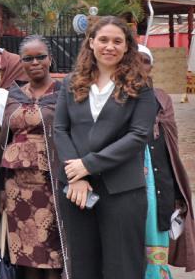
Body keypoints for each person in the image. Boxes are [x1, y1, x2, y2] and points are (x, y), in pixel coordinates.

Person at [52, 16, 158, 278]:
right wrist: (75, 176)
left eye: (117, 41)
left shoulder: (140, 86)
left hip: (122, 190)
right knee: (84, 266)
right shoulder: (71, 82)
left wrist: (87, 165)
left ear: (126, 47)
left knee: (122, 267)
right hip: (77, 191)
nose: (109, 46)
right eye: (103, 40)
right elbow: (60, 130)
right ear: (91, 43)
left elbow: (138, 135)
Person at [0, 36, 64, 278]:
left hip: (50, 187)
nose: (35, 62)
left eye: (40, 57)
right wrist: (1, 188)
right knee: (24, 255)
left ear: (50, 59)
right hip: (17, 189)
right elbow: (4, 142)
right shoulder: (14, 95)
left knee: (52, 253)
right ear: (21, 62)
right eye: (28, 58)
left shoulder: (64, 94)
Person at [137, 45, 195, 273]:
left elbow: (170, 144)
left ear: (151, 66)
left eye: (145, 60)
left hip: (156, 178)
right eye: (134, 59)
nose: (139, 65)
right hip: (124, 178)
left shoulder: (161, 98)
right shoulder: (113, 96)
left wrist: (174, 188)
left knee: (154, 236)